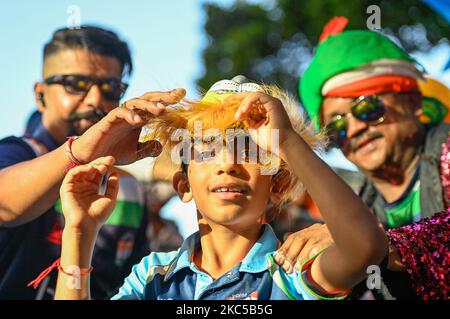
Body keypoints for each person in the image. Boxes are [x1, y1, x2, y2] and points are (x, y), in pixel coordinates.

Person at [54, 76, 388, 300]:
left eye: (251, 150)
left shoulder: (294, 272)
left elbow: (365, 248)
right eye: (207, 150)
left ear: (279, 183)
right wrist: (79, 234)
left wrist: (285, 140)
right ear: (183, 185)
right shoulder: (153, 276)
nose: (228, 164)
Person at [0, 26, 183, 299]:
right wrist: (80, 153)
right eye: (76, 84)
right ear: (40, 94)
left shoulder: (128, 187)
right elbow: (5, 204)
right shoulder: (17, 153)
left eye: (111, 88)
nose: (96, 99)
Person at [276, 17, 450, 299]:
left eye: (367, 107)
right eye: (337, 125)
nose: (355, 128)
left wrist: (366, 241)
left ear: (411, 100)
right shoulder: (358, 206)